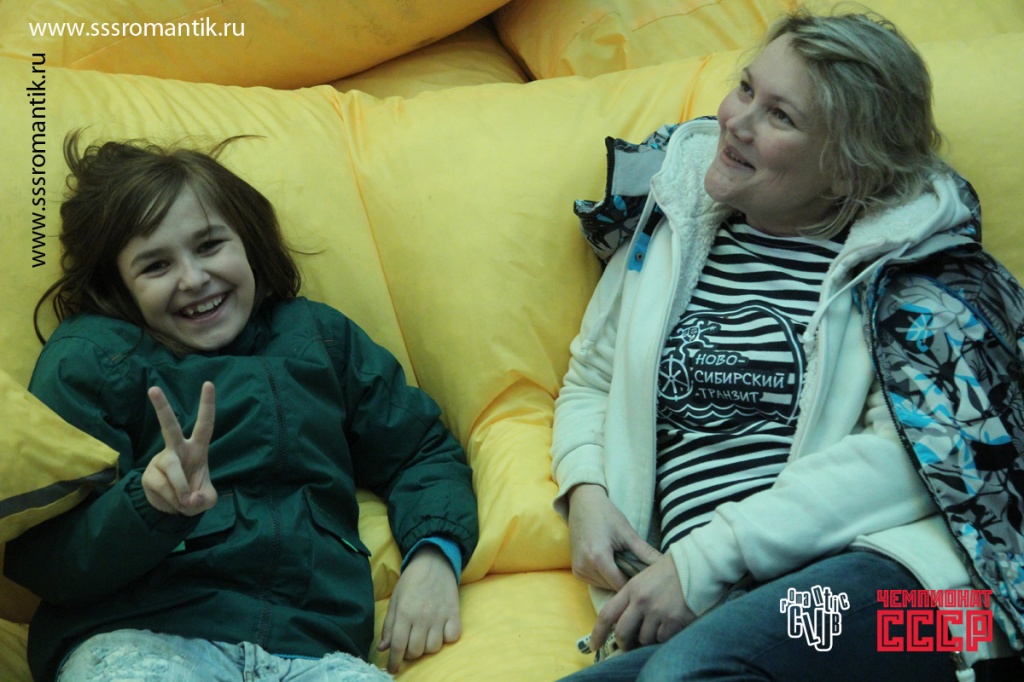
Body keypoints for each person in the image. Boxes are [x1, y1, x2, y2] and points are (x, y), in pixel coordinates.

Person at [552, 8, 1023, 682]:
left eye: (780, 116)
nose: (736, 122)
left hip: (929, 609)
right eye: (745, 89)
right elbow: (594, 378)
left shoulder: (925, 275)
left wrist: (703, 560)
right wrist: (586, 491)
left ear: (847, 170)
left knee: (687, 673)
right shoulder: (670, 232)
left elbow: (911, 454)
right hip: (728, 615)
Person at [3, 131, 479, 682]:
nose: (193, 278)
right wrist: (146, 505)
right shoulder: (91, 358)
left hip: (312, 650)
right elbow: (45, 556)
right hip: (141, 639)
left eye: (209, 246)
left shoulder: (319, 339)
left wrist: (433, 557)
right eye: (155, 266)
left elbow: (420, 450)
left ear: (249, 241)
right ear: (119, 287)